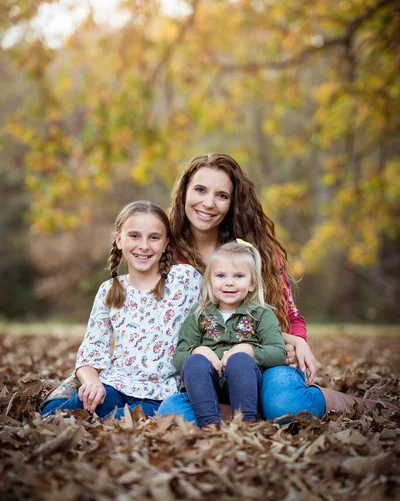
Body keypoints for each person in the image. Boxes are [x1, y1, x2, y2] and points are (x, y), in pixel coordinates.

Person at [158, 153, 397, 422]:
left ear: (233, 202)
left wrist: (297, 341)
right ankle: (253, 413)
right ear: (184, 192)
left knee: (287, 405)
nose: (208, 203)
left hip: (262, 360)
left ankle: (342, 403)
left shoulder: (255, 249)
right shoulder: (165, 252)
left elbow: (290, 314)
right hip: (207, 369)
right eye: (200, 190)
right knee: (173, 414)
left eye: (222, 195)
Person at [41, 201, 202, 420]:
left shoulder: (185, 280)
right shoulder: (109, 290)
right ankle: (64, 399)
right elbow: (91, 351)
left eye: (153, 238)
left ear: (165, 244)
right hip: (114, 387)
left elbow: (217, 309)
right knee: (52, 415)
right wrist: (92, 383)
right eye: (134, 236)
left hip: (162, 394)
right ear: (119, 240)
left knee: (144, 420)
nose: (144, 246)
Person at [174, 240, 287, 427]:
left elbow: (279, 353)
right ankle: (210, 424)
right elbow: (178, 357)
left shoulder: (261, 313)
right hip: (207, 387)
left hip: (246, 385)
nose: (229, 283)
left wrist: (249, 350)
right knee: (193, 363)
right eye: (220, 275)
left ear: (252, 283)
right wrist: (199, 351)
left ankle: (246, 423)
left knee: (240, 360)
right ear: (210, 280)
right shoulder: (199, 314)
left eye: (238, 276)